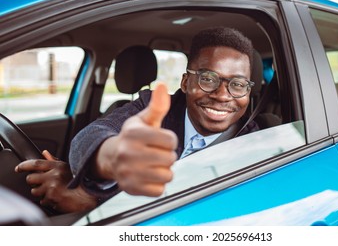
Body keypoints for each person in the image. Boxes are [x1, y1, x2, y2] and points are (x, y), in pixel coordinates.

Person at [16, 26, 259, 211]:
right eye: (208, 79)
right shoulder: (153, 106)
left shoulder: (256, 144)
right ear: (186, 82)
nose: (221, 95)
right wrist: (111, 158)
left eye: (237, 84)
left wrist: (92, 199)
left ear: (248, 92)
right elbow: (94, 133)